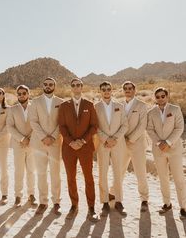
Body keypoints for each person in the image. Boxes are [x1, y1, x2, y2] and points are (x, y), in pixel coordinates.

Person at [58, 78, 98, 222]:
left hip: (85, 147)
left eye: (78, 85)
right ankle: (74, 206)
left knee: (89, 177)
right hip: (69, 148)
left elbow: (94, 126)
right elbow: (61, 126)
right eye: (73, 85)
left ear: (82, 87)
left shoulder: (89, 105)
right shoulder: (64, 106)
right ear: (71, 88)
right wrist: (70, 142)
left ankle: (91, 208)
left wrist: (82, 141)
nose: (76, 87)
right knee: (71, 177)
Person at [147, 87, 186, 217]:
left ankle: (183, 206)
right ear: (155, 98)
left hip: (174, 149)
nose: (160, 99)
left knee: (179, 178)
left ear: (167, 97)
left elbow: (179, 127)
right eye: (157, 97)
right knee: (163, 178)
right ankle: (167, 204)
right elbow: (150, 129)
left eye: (162, 96)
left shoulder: (175, 109)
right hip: (158, 150)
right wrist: (159, 143)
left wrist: (168, 142)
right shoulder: (151, 112)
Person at [110, 81, 149, 212]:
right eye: (125, 88)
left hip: (137, 143)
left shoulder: (142, 105)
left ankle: (144, 200)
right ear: (123, 90)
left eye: (130, 88)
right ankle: (113, 194)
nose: (127, 90)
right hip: (121, 144)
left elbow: (142, 125)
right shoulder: (119, 105)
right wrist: (120, 138)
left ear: (134, 90)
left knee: (140, 172)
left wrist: (130, 138)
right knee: (119, 171)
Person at [29, 77, 63, 215]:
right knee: (41, 173)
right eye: (46, 84)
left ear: (54, 86)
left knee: (55, 174)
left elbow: (62, 122)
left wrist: (53, 137)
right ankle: (43, 202)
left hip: (55, 143)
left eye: (51, 84)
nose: (48, 86)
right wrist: (44, 137)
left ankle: (56, 202)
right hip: (39, 142)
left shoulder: (60, 102)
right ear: (42, 85)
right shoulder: (35, 102)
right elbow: (33, 121)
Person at [95, 81, 127, 217]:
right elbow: (94, 126)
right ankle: (105, 202)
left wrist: (115, 139)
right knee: (102, 172)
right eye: (103, 89)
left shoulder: (119, 106)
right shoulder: (95, 107)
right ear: (100, 91)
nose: (106, 91)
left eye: (108, 89)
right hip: (103, 145)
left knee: (118, 173)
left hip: (118, 144)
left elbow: (125, 125)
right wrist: (106, 139)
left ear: (112, 90)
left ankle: (119, 201)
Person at [7, 85, 36, 207]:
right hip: (18, 144)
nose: (21, 95)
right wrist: (22, 139)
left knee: (31, 171)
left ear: (28, 94)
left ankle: (31, 194)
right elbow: (10, 127)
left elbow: (37, 124)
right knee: (19, 171)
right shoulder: (12, 109)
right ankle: (18, 196)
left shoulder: (34, 107)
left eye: (24, 93)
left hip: (32, 144)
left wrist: (29, 139)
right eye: (19, 93)